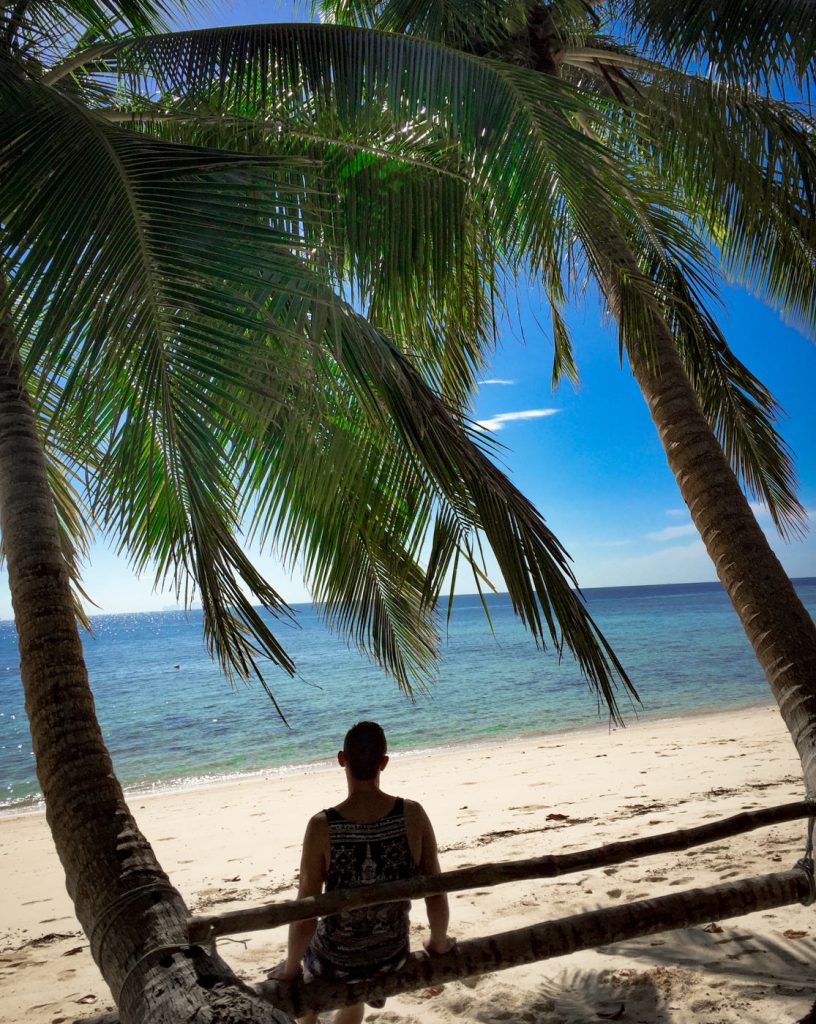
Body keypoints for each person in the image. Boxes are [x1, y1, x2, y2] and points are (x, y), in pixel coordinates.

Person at [269, 721, 456, 1024]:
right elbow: (436, 890)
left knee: (317, 960)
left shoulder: (322, 826)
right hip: (389, 956)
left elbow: (306, 909)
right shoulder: (413, 814)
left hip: (335, 959)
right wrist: (438, 942)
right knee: (352, 978)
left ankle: (308, 1019)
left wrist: (291, 969)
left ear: (342, 759)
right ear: (384, 763)